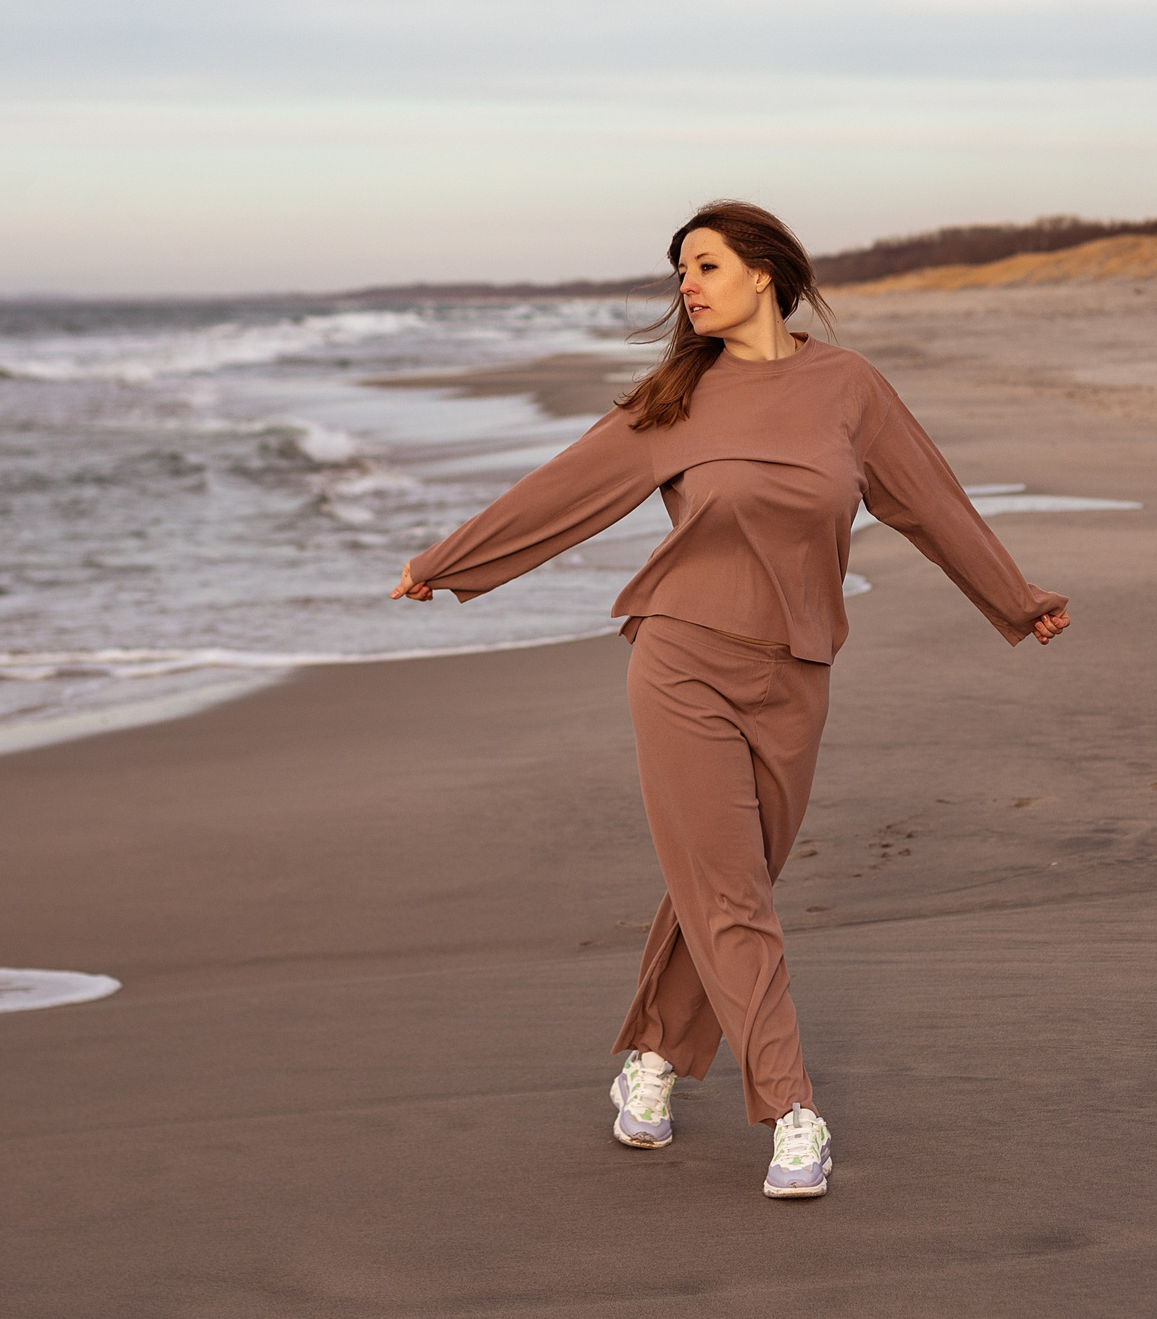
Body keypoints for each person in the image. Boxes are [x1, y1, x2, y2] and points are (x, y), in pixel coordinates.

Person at [392, 200, 1069, 1200]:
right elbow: (558, 492)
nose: (687, 286)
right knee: (734, 896)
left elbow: (929, 500)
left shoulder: (848, 388)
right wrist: (446, 564)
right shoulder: (675, 399)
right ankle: (792, 1111)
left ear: (764, 271)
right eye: (679, 274)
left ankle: (652, 1058)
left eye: (703, 265)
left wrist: (1014, 602)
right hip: (682, 661)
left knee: (723, 880)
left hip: (796, 676)